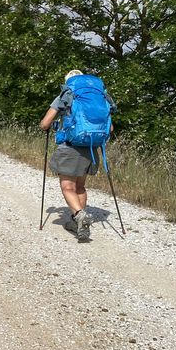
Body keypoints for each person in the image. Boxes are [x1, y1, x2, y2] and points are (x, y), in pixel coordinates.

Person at [39, 69, 117, 242]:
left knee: (67, 187)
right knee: (80, 187)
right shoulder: (101, 97)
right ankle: (79, 222)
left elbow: (45, 123)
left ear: (68, 82)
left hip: (70, 147)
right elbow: (110, 128)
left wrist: (46, 125)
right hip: (91, 147)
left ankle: (80, 216)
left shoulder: (66, 95)